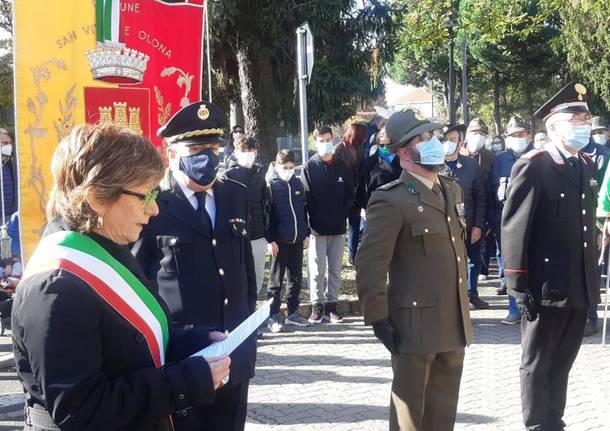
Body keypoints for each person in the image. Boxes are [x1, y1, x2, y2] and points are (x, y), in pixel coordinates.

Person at [13, 124, 231, 431]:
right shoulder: (56, 287)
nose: (154, 209)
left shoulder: (109, 248)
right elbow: (83, 410)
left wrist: (191, 344)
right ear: (96, 197)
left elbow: (130, 349)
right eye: (144, 195)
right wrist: (188, 380)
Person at [133, 102, 256, 431]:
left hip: (234, 354)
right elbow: (139, 285)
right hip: (183, 364)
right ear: (172, 154)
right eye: (197, 149)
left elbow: (246, 272)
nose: (209, 157)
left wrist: (247, 334)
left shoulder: (235, 195)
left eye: (214, 148)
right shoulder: (153, 207)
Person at [357, 109, 472, 431]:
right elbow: (370, 265)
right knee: (411, 419)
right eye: (425, 138)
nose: (436, 143)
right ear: (404, 152)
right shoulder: (391, 200)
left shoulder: (449, 190)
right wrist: (378, 318)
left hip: (453, 322)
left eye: (435, 136)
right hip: (414, 327)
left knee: (442, 416)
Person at [502, 82, 600, 430]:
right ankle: (537, 424)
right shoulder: (535, 165)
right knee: (537, 363)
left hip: (577, 284)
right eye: (576, 119)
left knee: (563, 361)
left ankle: (554, 421)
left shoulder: (583, 165)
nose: (583, 125)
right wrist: (517, 282)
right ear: (553, 126)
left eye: (586, 118)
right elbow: (515, 227)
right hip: (545, 286)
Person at [302, 126, 353, 324]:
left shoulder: (341, 166)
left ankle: (332, 306)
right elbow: (305, 200)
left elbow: (350, 193)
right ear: (315, 142)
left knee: (335, 269)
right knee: (316, 269)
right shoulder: (309, 167)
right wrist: (308, 226)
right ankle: (317, 306)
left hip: (338, 228)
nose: (326, 143)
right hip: (316, 229)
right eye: (321, 140)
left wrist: (344, 215)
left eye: (328, 139)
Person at [489, 115, 533, 324]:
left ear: (529, 135)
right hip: (506, 222)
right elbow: (492, 192)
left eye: (522, 134)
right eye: (514, 135)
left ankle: (533, 306)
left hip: (534, 221)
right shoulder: (499, 161)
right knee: (510, 265)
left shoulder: (539, 157)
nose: (518, 138)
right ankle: (514, 308)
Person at [442, 123, 489, 309]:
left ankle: (472, 293)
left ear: (460, 142)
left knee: (473, 259)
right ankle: (454, 296)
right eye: (445, 139)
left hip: (469, 224)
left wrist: (478, 226)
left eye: (452, 140)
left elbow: (481, 198)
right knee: (450, 262)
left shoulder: (471, 165)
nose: (448, 143)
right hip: (445, 226)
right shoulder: (433, 166)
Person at [264, 150, 310, 333]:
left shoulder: (297, 183)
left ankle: (293, 312)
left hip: (297, 238)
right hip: (279, 241)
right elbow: (267, 216)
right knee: (276, 281)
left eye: (292, 167)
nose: (289, 171)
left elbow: (303, 211)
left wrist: (306, 233)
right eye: (285, 167)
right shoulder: (271, 186)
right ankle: (272, 315)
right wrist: (270, 239)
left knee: (295, 278)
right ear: (277, 167)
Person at [225, 137, 269, 294]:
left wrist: (267, 235)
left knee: (256, 280)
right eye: (244, 150)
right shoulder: (229, 176)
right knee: (238, 280)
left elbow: (267, 204)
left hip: (258, 236)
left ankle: (254, 314)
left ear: (256, 152)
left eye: (251, 150)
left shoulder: (260, 174)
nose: (248, 154)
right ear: (236, 152)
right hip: (237, 238)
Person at [581, 118, 610, 336]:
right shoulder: (575, 152)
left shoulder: (604, 155)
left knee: (598, 272)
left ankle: (593, 318)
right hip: (584, 222)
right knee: (585, 273)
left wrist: (601, 227)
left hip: (598, 223)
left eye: (603, 130)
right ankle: (585, 318)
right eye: (595, 130)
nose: (599, 133)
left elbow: (603, 195)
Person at [334, 123, 367, 265]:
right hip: (341, 192)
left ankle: (352, 255)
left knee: (355, 224)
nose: (365, 139)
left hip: (356, 191)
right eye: (363, 136)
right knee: (341, 226)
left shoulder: (359, 147)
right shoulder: (339, 149)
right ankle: (337, 256)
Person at [0, 129, 18, 222]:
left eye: (11, 143)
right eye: (5, 143)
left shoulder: (10, 162)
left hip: (11, 214)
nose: (9, 146)